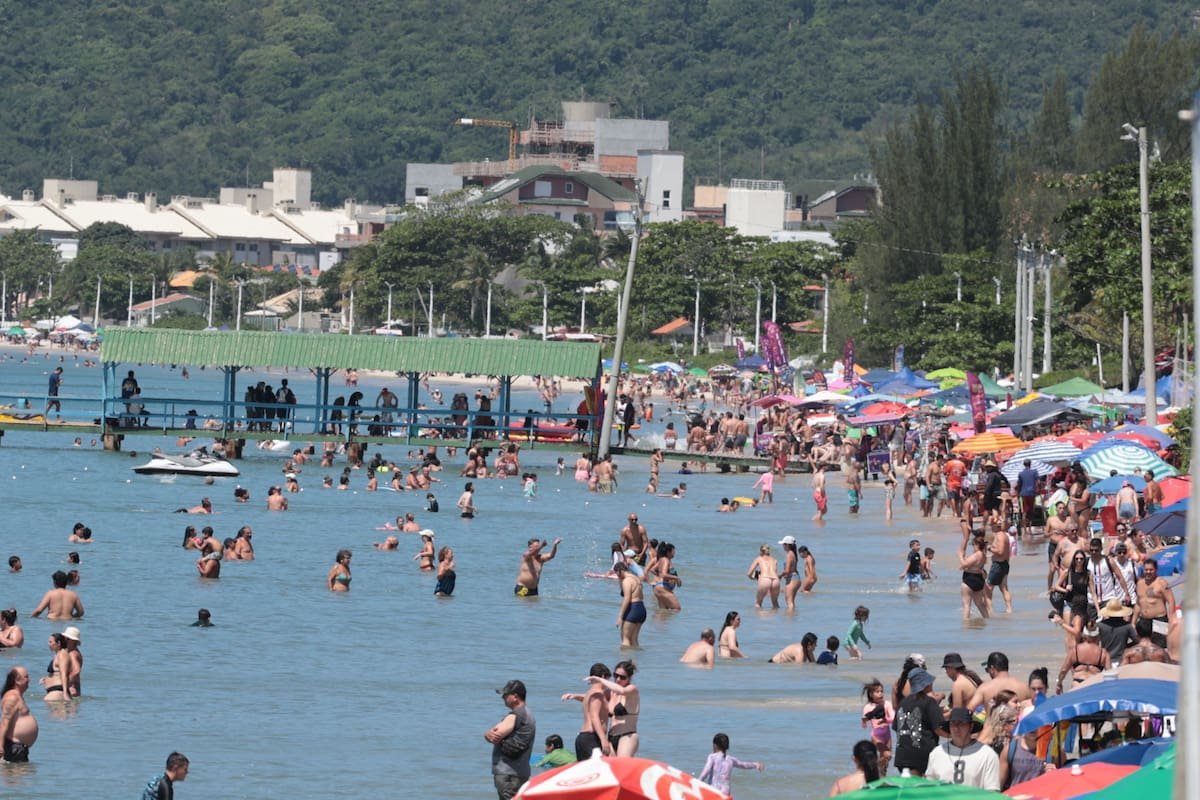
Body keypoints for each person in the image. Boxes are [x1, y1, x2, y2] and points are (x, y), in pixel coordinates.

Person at [923, 707, 1001, 789]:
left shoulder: (987, 755)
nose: (956, 728)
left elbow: (992, 790)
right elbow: (929, 787)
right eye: (953, 723)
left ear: (970, 727)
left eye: (961, 723)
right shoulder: (937, 753)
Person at [485, 679, 536, 800]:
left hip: (508, 774)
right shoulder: (528, 714)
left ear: (515, 697)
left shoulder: (516, 715)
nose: (503, 697)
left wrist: (487, 734)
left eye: (506, 695)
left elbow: (494, 735)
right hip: (520, 772)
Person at [892, 668, 945, 776]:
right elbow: (939, 729)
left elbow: (896, 727)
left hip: (902, 757)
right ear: (926, 684)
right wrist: (954, 736)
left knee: (909, 786)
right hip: (922, 757)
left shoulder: (902, 703)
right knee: (921, 785)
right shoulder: (929, 702)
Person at [588, 660, 640, 757]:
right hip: (611, 737)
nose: (618, 679)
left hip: (627, 736)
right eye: (616, 675)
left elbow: (622, 691)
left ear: (629, 678)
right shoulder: (611, 692)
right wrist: (575, 696)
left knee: (622, 762)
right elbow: (596, 700)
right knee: (610, 764)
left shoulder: (632, 689)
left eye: (622, 677)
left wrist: (600, 680)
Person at [697, 732, 762, 796]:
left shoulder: (712, 757)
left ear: (715, 745)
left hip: (714, 792)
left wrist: (697, 783)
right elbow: (744, 765)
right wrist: (756, 764)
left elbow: (705, 771)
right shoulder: (731, 760)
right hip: (725, 794)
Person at [570, 662, 612, 759]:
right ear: (603, 677)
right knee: (599, 766)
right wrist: (603, 739)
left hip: (583, 738)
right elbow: (594, 716)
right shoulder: (598, 694)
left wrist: (574, 696)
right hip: (592, 738)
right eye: (608, 679)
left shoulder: (589, 694)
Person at [1055, 622, 1111, 691]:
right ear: (1098, 637)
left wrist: (1059, 684)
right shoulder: (1103, 653)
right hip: (1095, 685)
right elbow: (1110, 673)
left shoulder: (1075, 650)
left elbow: (1064, 670)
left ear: (1084, 635)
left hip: (1077, 685)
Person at [1133, 558, 1175, 648]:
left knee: (1160, 647)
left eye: (1151, 570)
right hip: (1144, 621)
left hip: (1159, 620)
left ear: (1156, 570)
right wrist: (1133, 622)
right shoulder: (1139, 583)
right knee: (1143, 647)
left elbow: (1171, 601)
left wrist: (1171, 619)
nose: (1148, 572)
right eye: (1146, 570)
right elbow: (1138, 603)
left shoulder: (1162, 583)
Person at [1, 667, 37, 763]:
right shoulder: (12, 697)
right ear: (17, 680)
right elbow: (4, 723)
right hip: (14, 748)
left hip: (19, 748)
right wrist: (0, 745)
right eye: (26, 677)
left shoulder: (18, 696)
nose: (29, 680)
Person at [860, 679, 894, 775]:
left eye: (881, 691)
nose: (880, 694)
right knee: (887, 755)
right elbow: (864, 722)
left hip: (887, 735)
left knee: (886, 762)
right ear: (871, 694)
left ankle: (880, 776)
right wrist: (864, 721)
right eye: (877, 692)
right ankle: (872, 769)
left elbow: (893, 718)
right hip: (876, 736)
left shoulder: (887, 704)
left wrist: (886, 720)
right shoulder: (868, 707)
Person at [958, 533, 990, 621]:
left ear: (977, 545)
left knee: (966, 604)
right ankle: (988, 620)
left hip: (970, 579)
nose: (973, 547)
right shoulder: (983, 555)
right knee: (980, 604)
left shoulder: (977, 554)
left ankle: (966, 623)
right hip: (979, 580)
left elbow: (964, 565)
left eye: (973, 545)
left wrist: (960, 556)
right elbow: (973, 565)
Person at [614, 562, 646, 647]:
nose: (617, 577)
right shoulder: (636, 578)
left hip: (633, 609)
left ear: (619, 570)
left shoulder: (627, 581)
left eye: (617, 574)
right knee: (634, 638)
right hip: (641, 609)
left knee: (625, 638)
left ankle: (624, 655)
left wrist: (620, 617)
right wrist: (620, 580)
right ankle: (635, 655)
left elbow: (626, 599)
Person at [747, 545, 780, 609]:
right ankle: (776, 615)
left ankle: (760, 616)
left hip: (765, 578)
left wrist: (752, 577)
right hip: (776, 580)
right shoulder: (774, 560)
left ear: (761, 551)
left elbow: (749, 573)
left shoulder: (758, 558)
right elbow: (775, 572)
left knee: (758, 603)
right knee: (775, 603)